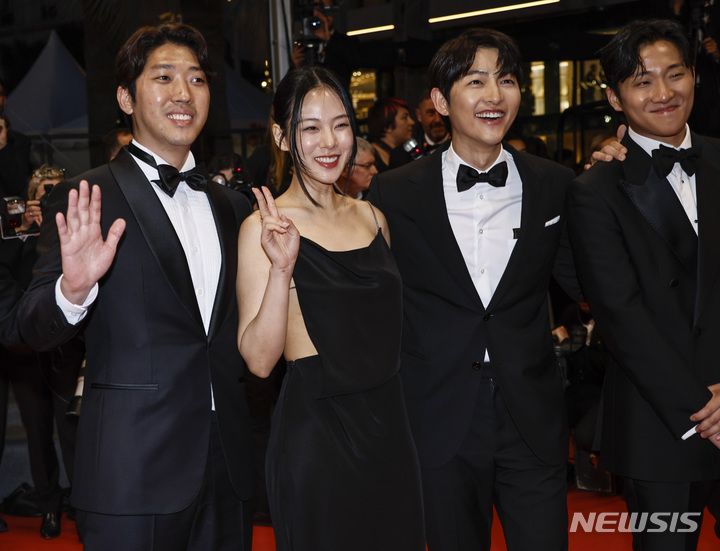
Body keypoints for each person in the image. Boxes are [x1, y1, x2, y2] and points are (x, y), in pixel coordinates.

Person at [16, 23, 254, 551]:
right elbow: (30, 325)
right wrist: (73, 290)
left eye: (196, 79)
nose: (183, 93)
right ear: (126, 98)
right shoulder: (86, 196)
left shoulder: (232, 206)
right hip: (132, 470)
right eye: (163, 77)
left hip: (227, 468)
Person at [367, 28, 581, 551]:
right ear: (440, 102)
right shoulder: (393, 192)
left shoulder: (555, 184)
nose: (494, 95)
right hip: (437, 416)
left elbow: (591, 281)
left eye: (506, 80)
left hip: (531, 416)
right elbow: (372, 306)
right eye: (476, 81)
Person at [236, 65, 424, 551]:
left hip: (390, 432)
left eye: (340, 125)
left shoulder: (373, 218)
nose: (329, 142)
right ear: (282, 137)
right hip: (318, 440)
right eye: (310, 128)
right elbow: (259, 362)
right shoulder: (264, 228)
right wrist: (281, 269)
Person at [568, 19, 720, 551]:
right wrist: (704, 409)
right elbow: (621, 315)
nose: (663, 92)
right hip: (660, 422)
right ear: (615, 97)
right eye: (642, 81)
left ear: (694, 76)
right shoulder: (595, 189)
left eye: (675, 74)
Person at [2, 165, 83, 539]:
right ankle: (49, 506)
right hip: (23, 348)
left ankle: (81, 503)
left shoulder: (71, 232)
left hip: (65, 343)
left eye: (56, 191)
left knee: (72, 430)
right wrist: (23, 232)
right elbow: (10, 277)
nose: (50, 197)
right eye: (43, 191)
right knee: (37, 432)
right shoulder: (15, 232)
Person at [389, 90, 450, 169]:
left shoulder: (462, 148)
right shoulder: (401, 156)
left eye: (441, 111)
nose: (437, 120)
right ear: (419, 115)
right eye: (431, 113)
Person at [367, 97, 415, 172]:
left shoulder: (404, 152)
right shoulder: (370, 156)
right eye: (404, 117)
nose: (412, 122)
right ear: (388, 126)